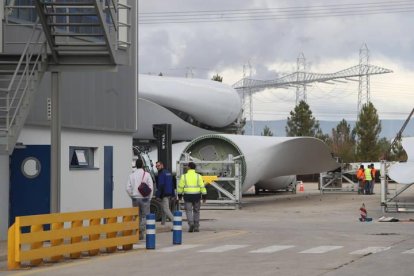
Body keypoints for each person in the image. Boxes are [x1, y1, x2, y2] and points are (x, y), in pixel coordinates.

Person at [126, 159, 154, 240]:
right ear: (142, 165)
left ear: (136, 165)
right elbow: (151, 187)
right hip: (145, 198)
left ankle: (139, 233)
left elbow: (127, 188)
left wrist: (132, 195)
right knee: (145, 216)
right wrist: (149, 198)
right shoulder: (147, 174)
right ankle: (142, 229)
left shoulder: (132, 175)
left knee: (137, 216)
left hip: (135, 198)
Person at [177, 162, 207, 232]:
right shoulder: (198, 176)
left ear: (189, 167)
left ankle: (191, 224)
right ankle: (196, 226)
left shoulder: (184, 176)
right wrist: (204, 196)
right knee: (196, 211)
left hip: (187, 196)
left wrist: (180, 196)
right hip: (197, 196)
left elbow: (180, 187)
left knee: (188, 211)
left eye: (187, 166)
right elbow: (202, 187)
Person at [155, 161, 175, 225]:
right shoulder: (168, 173)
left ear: (162, 165)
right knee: (163, 208)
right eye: (156, 166)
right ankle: (163, 223)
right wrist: (173, 194)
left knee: (166, 209)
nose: (157, 167)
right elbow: (172, 184)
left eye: (158, 166)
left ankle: (175, 223)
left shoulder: (161, 174)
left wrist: (158, 195)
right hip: (169, 193)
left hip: (164, 194)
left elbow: (161, 185)